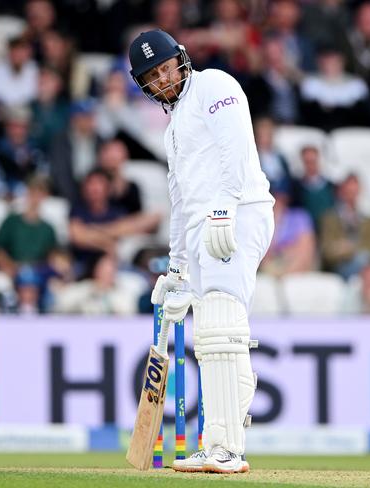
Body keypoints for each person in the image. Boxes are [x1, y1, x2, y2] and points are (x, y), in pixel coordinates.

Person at [128, 30, 274, 473]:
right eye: (152, 76)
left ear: (181, 59)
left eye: (166, 67)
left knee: (222, 322)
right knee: (211, 329)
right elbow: (179, 200)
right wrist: (175, 265)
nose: (163, 79)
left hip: (237, 211)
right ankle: (220, 443)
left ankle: (228, 449)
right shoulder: (173, 131)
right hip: (202, 226)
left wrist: (225, 207)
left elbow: (236, 150)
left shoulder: (214, 85)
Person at [319, 173, 370, 279]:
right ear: (341, 192)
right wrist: (352, 252)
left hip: (365, 266)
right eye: (348, 192)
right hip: (339, 268)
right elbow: (327, 251)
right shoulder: (330, 219)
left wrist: (348, 248)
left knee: (365, 262)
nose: (351, 196)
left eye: (354, 192)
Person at [0, 175, 57, 277]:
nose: (36, 196)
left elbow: (53, 256)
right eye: (33, 191)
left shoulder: (48, 229)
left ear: (46, 196)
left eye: (40, 192)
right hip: (13, 271)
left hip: (38, 275)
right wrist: (11, 267)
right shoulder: (11, 221)